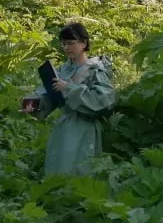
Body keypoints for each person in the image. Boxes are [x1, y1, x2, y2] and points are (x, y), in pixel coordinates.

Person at [21, 22, 116, 176]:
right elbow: (49, 96)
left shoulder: (95, 70)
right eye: (64, 43)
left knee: (80, 173)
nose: (66, 47)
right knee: (59, 173)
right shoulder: (63, 70)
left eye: (71, 43)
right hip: (63, 129)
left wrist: (69, 89)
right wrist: (33, 104)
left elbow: (103, 101)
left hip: (85, 129)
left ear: (84, 43)